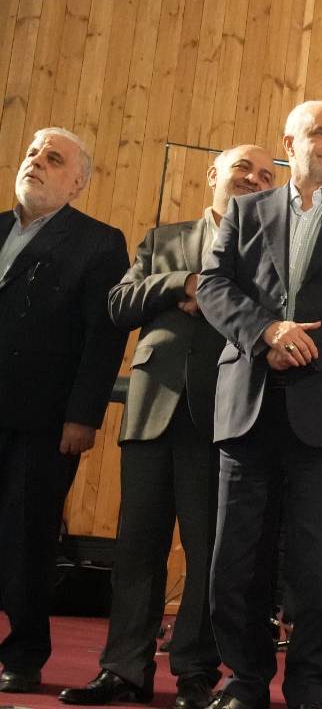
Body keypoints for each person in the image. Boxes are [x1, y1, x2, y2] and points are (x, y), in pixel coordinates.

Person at [197, 102, 322, 709]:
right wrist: (267, 333)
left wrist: (312, 344)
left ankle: (310, 689)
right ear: (290, 143)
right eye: (321, 133)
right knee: (237, 563)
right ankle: (246, 681)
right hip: (249, 405)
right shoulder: (245, 210)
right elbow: (213, 284)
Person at [59, 146, 276, 709]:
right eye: (243, 169)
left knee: (208, 553)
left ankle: (194, 673)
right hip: (151, 409)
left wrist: (217, 298)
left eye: (266, 176)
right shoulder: (163, 239)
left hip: (223, 414)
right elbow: (117, 304)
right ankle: (123, 669)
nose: (254, 179)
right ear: (213, 175)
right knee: (136, 549)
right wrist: (182, 283)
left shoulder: (270, 249)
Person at [0, 128, 129, 694]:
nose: (36, 163)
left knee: (26, 540)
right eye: (33, 154)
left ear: (77, 183)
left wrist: (84, 415)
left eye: (53, 159)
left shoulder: (99, 243)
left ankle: (24, 654)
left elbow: (103, 339)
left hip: (45, 419)